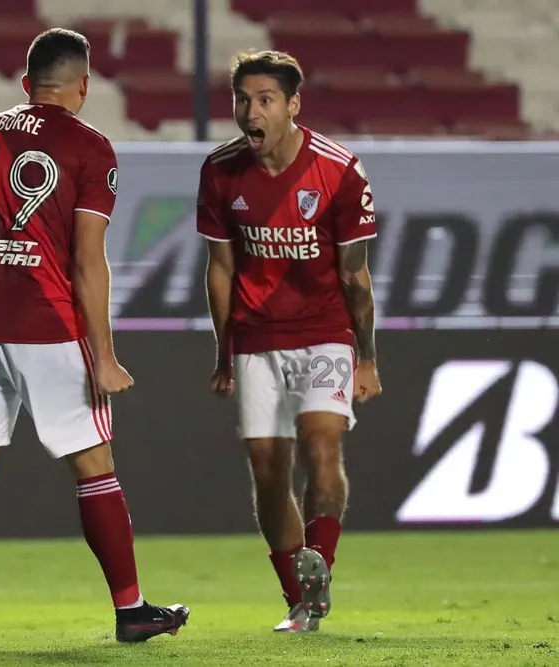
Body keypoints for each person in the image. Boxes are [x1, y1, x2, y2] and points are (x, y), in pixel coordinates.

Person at [0, 27, 189, 648]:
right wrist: (106, 355)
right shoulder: (90, 148)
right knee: (94, 465)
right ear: (84, 85)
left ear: (25, 82)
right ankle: (131, 611)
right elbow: (89, 262)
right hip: (47, 324)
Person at [197, 50, 382, 633]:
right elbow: (220, 269)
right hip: (255, 339)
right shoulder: (221, 171)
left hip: (325, 334)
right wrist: (224, 353)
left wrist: (367, 357)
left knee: (321, 448)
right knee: (267, 469)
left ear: (293, 105)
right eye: (242, 100)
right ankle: (301, 602)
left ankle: (319, 565)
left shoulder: (339, 170)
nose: (250, 111)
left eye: (265, 100)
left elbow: (355, 275)